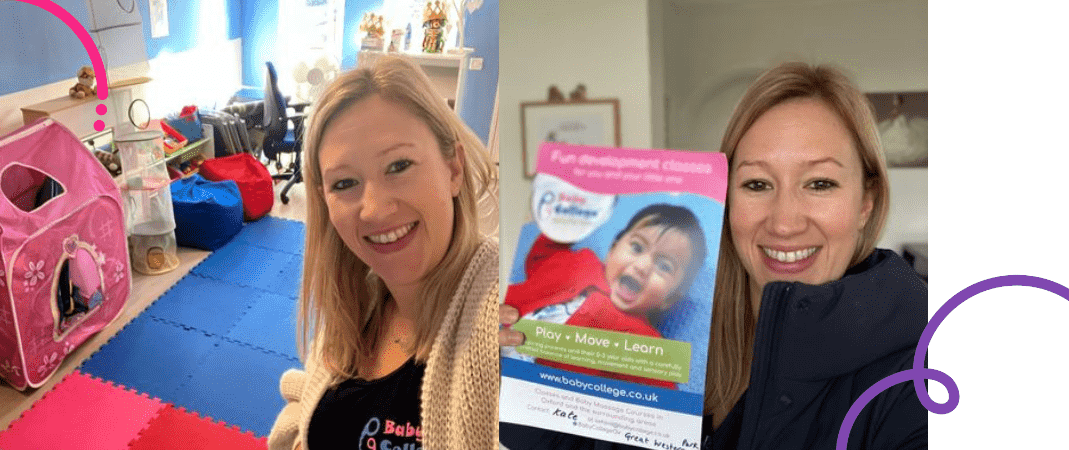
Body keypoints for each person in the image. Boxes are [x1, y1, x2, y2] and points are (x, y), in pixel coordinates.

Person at [500, 61, 927, 450]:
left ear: (866, 201)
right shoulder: (685, 343)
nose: (784, 222)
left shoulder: (921, 377)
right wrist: (512, 378)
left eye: (820, 184)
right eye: (757, 184)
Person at [267, 55, 500, 450]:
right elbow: (324, 407)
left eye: (399, 165)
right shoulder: (357, 301)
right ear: (324, 200)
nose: (374, 209)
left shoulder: (509, 314)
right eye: (344, 183)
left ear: (453, 169)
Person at [503, 203, 707, 389]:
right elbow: (540, 261)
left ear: (669, 299)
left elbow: (664, 401)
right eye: (636, 247)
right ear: (611, 250)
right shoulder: (581, 261)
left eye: (664, 266)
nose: (642, 266)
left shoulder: (643, 341)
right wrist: (572, 217)